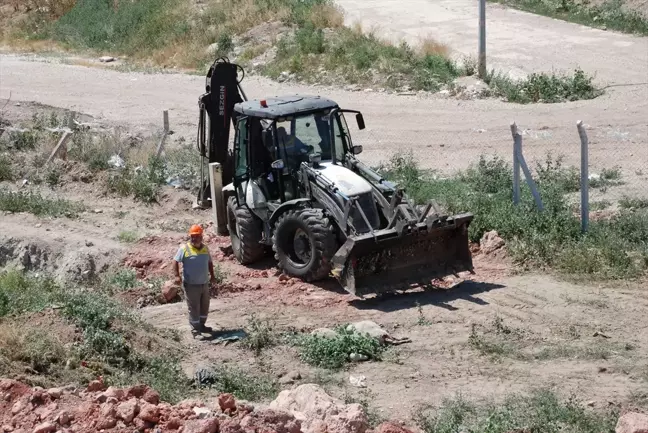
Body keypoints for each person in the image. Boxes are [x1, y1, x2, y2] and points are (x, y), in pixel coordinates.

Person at [173, 224, 217, 336]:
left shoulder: (205, 249)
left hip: (204, 283)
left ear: (201, 237)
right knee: (193, 307)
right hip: (191, 284)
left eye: (196, 236)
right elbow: (175, 261)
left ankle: (201, 326)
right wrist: (176, 276)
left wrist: (212, 276)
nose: (194, 238)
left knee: (204, 306)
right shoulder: (184, 248)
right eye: (192, 236)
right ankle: (195, 330)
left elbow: (210, 263)